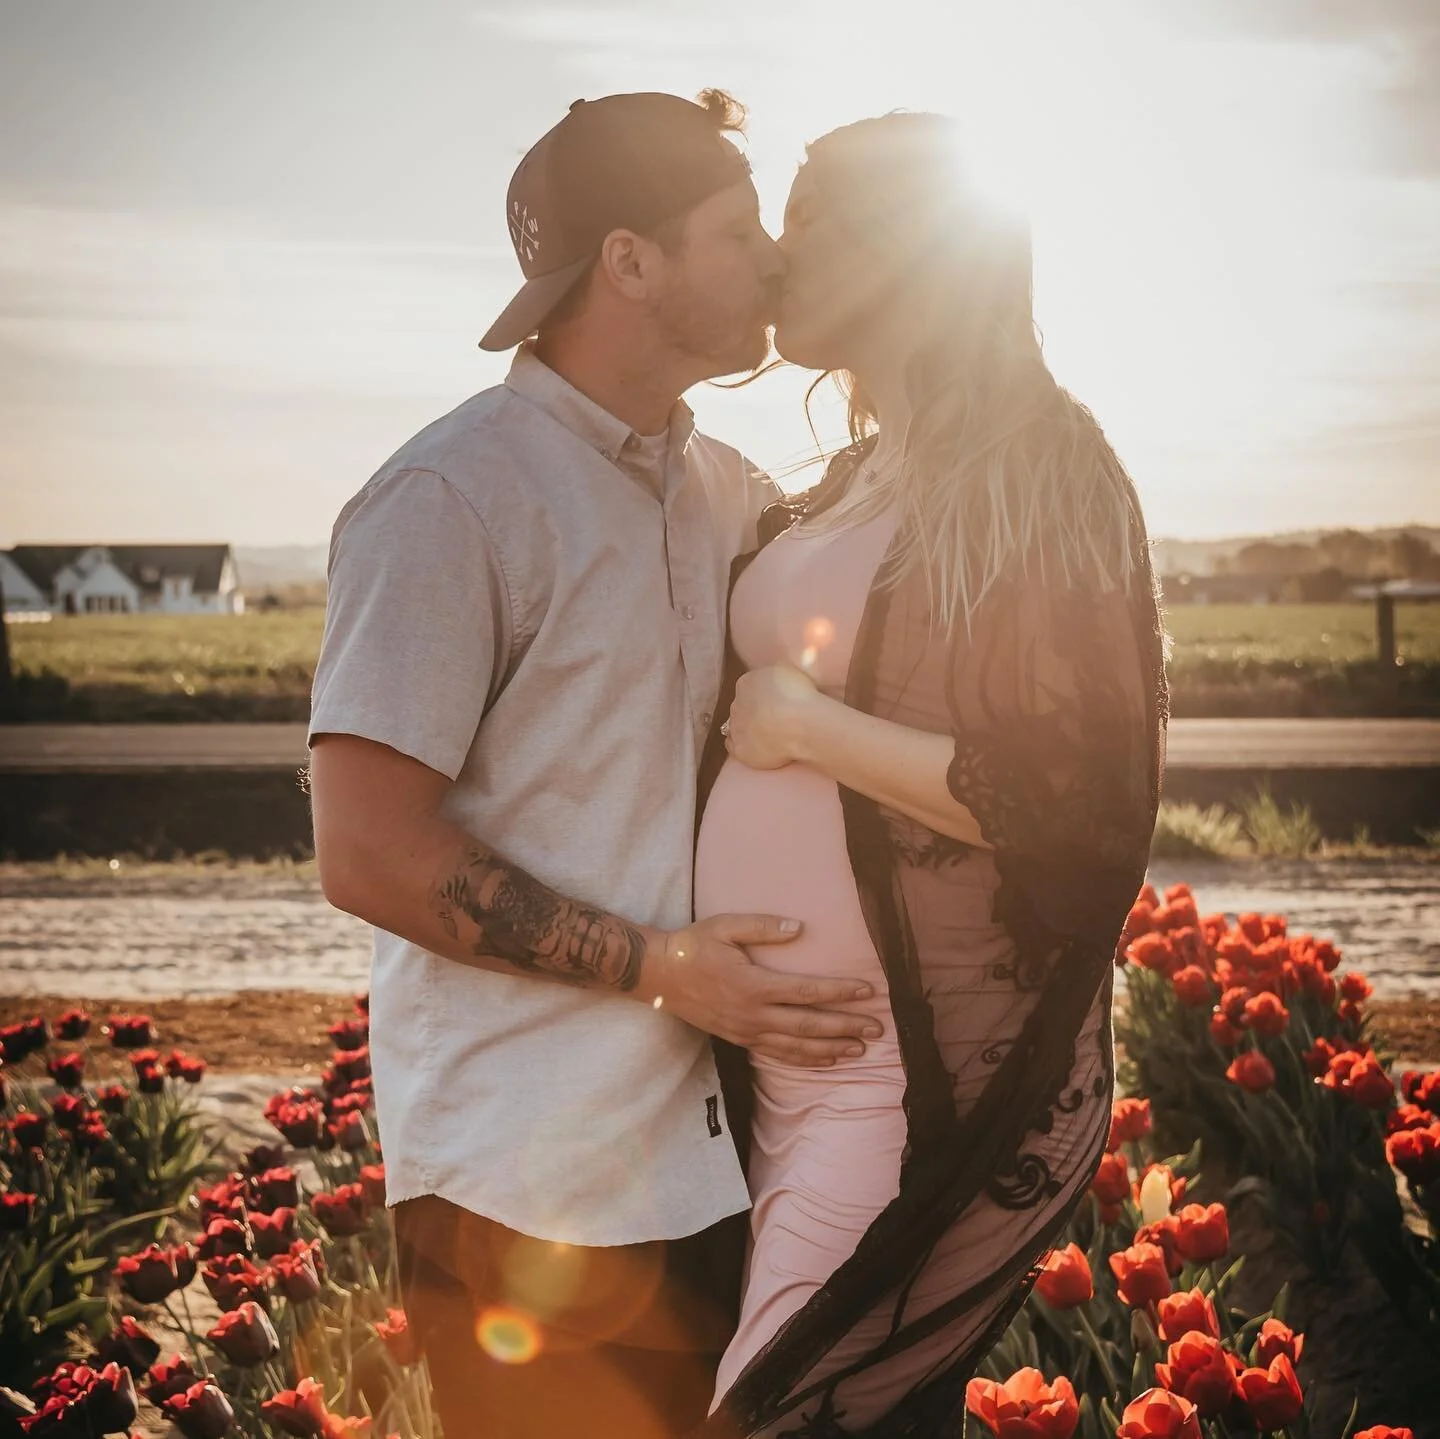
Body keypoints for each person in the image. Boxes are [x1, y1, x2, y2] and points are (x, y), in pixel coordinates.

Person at [308, 90, 884, 1439]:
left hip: (719, 1156)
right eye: (738, 229)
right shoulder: (448, 501)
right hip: (528, 1185)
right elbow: (368, 848)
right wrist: (663, 967)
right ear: (629, 261)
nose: (775, 259)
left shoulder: (724, 488)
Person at [694, 113, 1168, 1436]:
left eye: (812, 220)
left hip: (917, 1075)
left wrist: (805, 726)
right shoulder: (849, 477)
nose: (782, 257)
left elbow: (1080, 807)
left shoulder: (1040, 467)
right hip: (786, 1078)